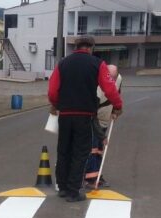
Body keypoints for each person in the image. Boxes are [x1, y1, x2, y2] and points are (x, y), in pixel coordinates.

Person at [48, 36, 123, 202]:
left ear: (76, 47)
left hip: (65, 115)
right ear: (91, 47)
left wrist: (56, 104)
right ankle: (74, 191)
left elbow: (53, 90)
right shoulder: (97, 64)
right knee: (80, 152)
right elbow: (109, 89)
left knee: (64, 150)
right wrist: (118, 105)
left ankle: (63, 188)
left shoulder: (63, 63)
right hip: (84, 115)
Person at [85, 64, 123, 188]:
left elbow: (117, 94)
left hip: (106, 119)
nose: (111, 82)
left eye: (114, 78)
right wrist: (102, 135)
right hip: (93, 120)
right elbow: (92, 115)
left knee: (99, 150)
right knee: (92, 149)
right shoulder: (96, 88)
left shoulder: (119, 79)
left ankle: (98, 175)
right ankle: (90, 179)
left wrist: (115, 111)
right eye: (109, 78)